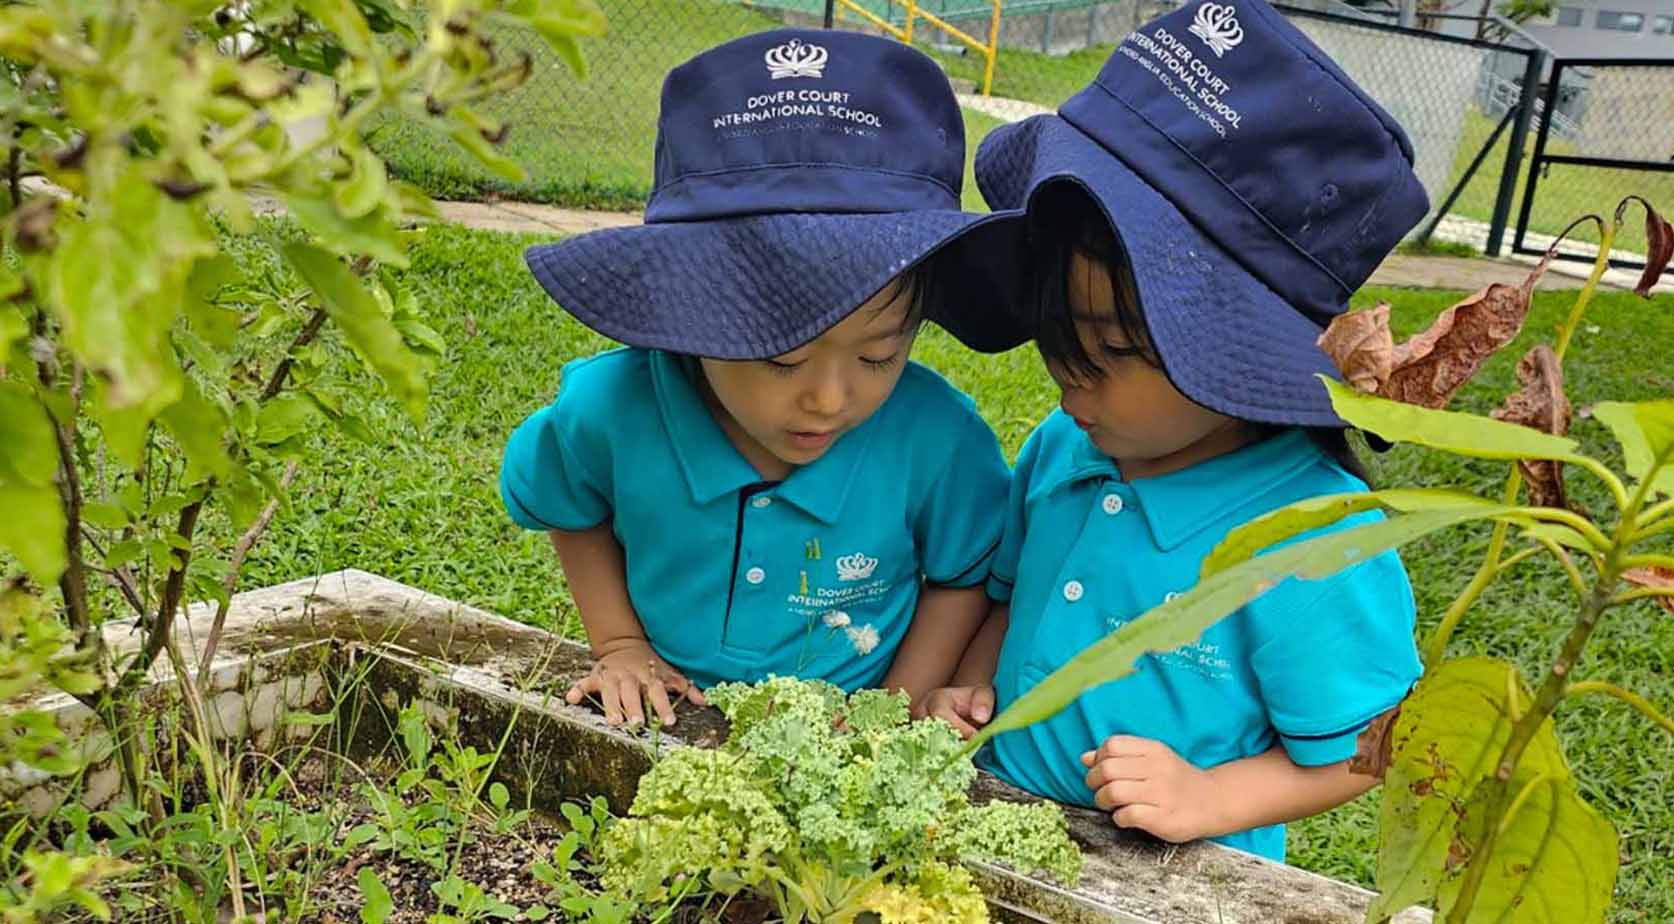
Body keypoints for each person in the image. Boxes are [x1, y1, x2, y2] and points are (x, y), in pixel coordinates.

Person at [918, 0, 1428, 861]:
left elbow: (1363, 751)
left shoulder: (1314, 536)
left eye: (1115, 347)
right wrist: (966, 688)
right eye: (1058, 337)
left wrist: (1208, 795)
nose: (1072, 379)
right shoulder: (1064, 445)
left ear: (1244, 361)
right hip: (997, 835)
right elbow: (1008, 601)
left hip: (1167, 883)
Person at [501, 29, 1031, 728]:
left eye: (878, 356)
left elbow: (963, 576)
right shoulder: (611, 409)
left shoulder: (939, 438)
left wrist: (887, 708)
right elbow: (569, 503)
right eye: (781, 357)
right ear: (691, 313)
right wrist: (621, 643)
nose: (830, 398)